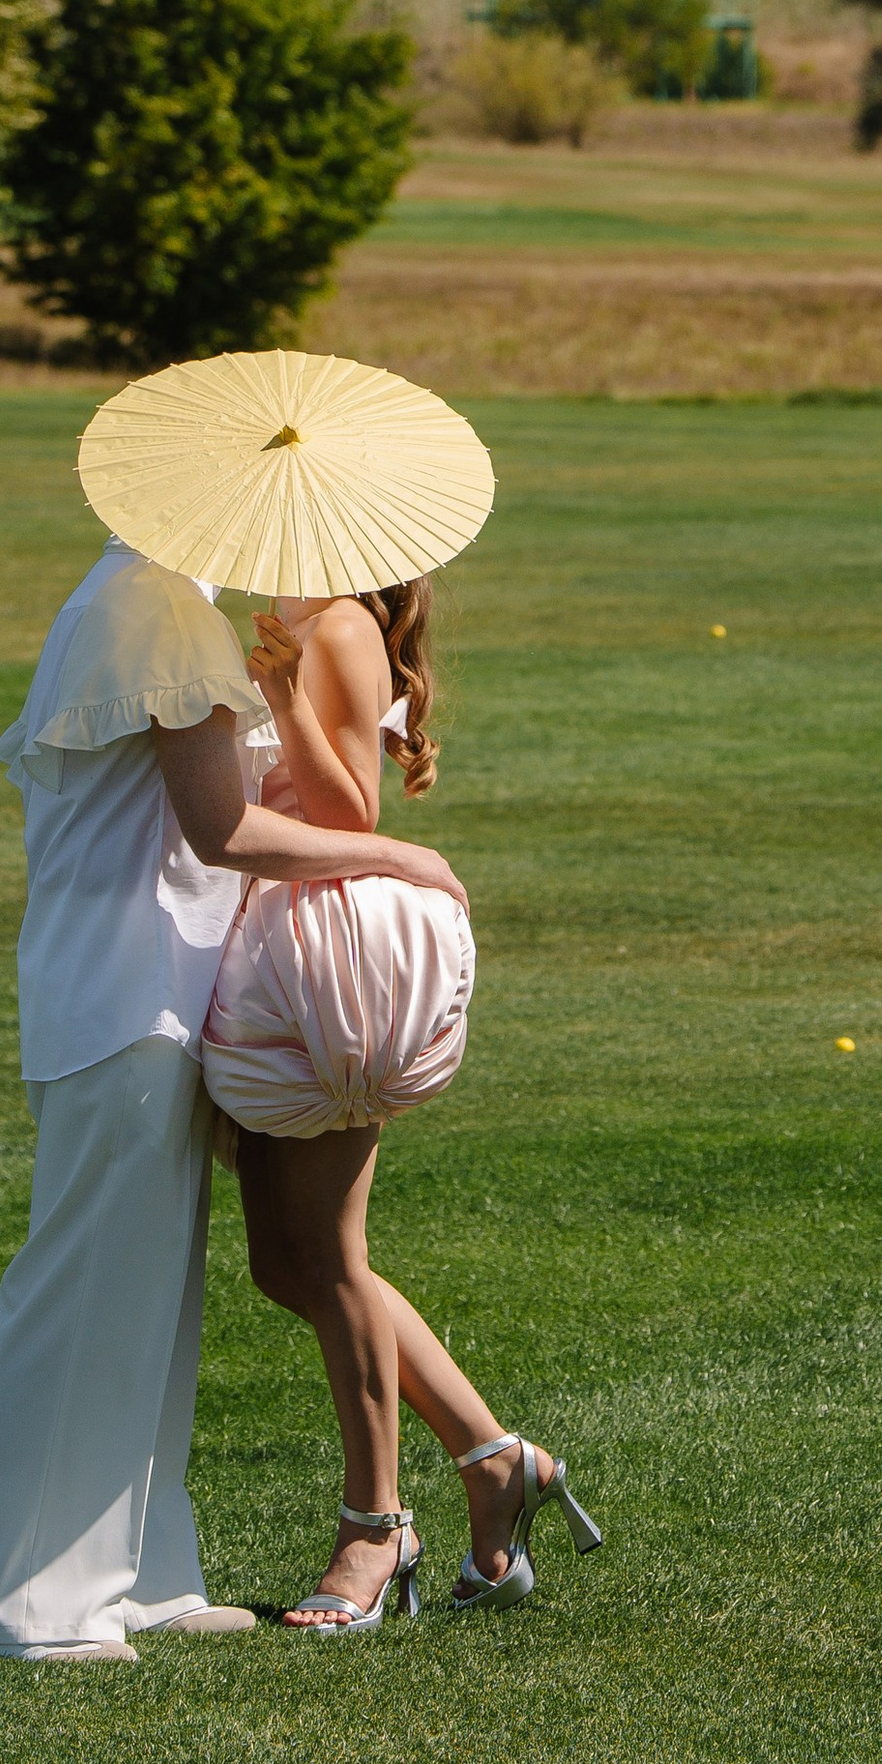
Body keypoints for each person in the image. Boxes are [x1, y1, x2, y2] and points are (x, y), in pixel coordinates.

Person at [0, 537, 469, 1664]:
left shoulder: (141, 599)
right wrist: (399, 859)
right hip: (128, 997)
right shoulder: (163, 613)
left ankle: (140, 1578)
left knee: (147, 1304)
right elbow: (219, 829)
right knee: (87, 1295)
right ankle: (28, 1609)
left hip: (144, 996)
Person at [204, 574, 603, 1631]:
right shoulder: (308, 624)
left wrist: (282, 694)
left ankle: (374, 1529)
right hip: (278, 973)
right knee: (288, 1263)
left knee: (326, 1261)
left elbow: (350, 812)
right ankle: (494, 1457)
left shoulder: (337, 625)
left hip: (328, 976)